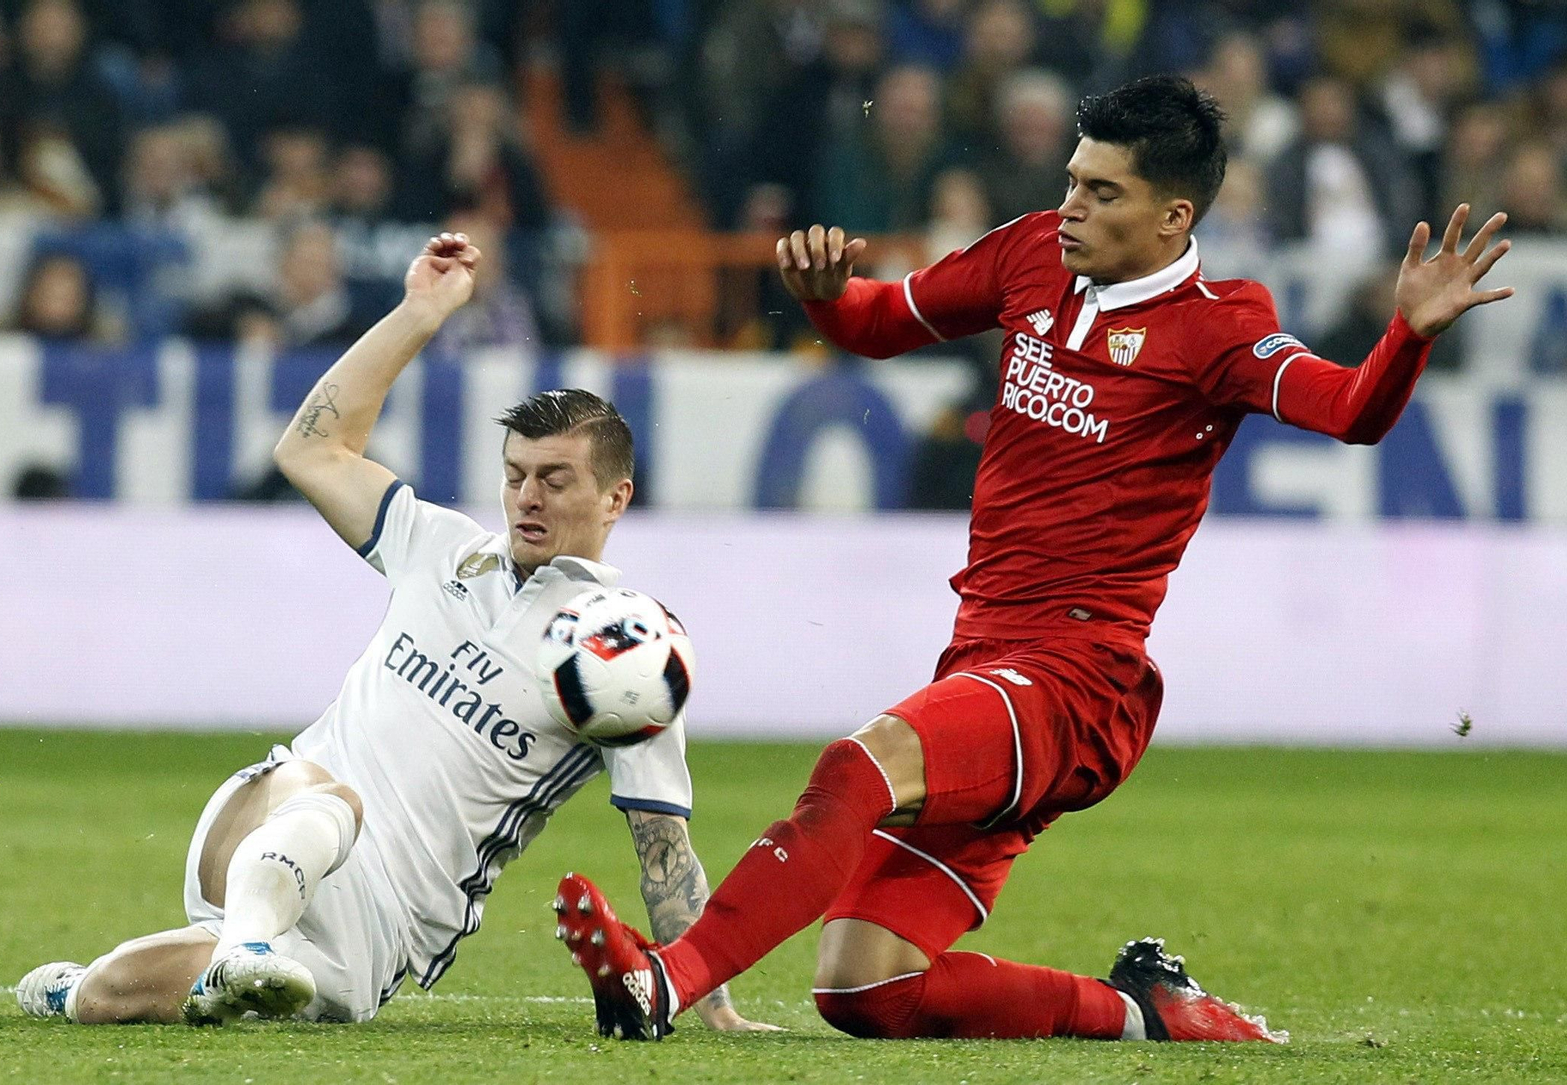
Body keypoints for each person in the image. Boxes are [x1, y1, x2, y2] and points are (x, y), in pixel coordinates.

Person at [553, 76, 1512, 1043]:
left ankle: (663, 983)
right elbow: (883, 323)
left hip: (1077, 680)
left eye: (1103, 192)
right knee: (865, 990)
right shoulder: (1028, 256)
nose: (1071, 206)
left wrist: (1407, 336)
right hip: (983, 664)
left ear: (1175, 216)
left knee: (859, 765)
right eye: (1071, 180)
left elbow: (1348, 409)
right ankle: (1155, 1017)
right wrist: (825, 297)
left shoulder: (1220, 325)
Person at [15, 232, 770, 1032]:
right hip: (270, 828)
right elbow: (309, 449)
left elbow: (664, 848)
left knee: (105, 996)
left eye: (555, 479)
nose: (527, 498)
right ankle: (250, 945)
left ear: (616, 497)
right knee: (325, 791)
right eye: (514, 476)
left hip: (364, 950)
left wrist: (708, 1003)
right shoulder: (439, 546)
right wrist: (419, 312)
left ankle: (200, 961)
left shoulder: (627, 652)